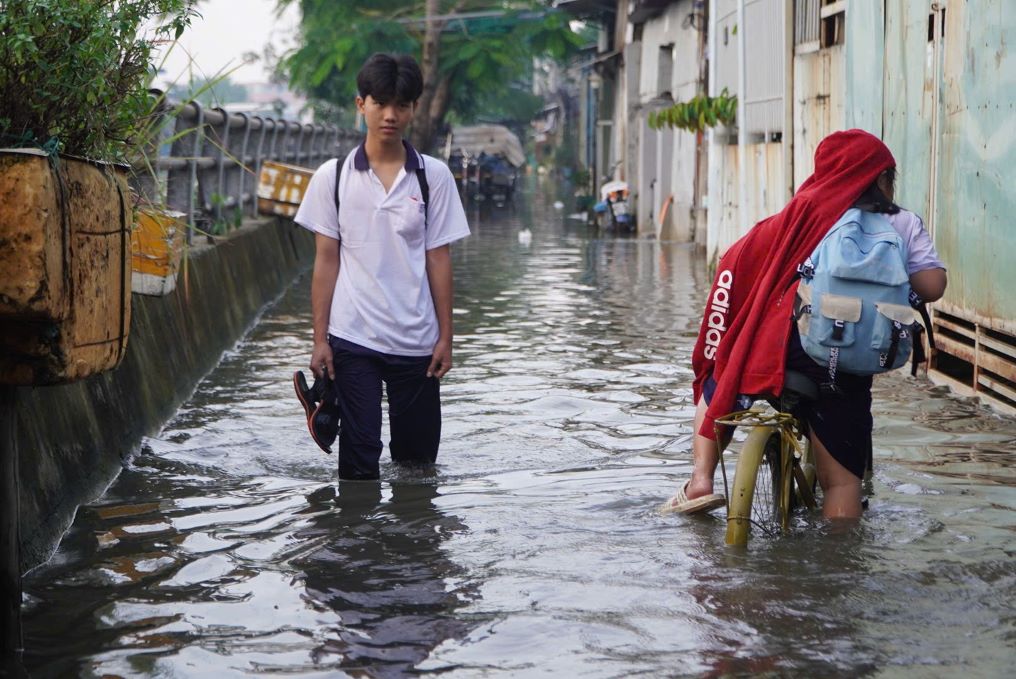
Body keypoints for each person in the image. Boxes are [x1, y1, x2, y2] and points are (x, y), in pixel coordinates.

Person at [663, 129, 947, 520]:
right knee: (843, 484)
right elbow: (933, 286)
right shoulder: (902, 223)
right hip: (847, 359)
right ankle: (836, 563)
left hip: (787, 350)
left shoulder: (805, 211)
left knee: (724, 372)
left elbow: (737, 263)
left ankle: (700, 480)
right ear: (884, 179)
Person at [292, 53, 470, 480]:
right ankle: (358, 541)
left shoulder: (434, 177)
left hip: (417, 341)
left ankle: (409, 543)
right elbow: (326, 261)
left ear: (412, 109)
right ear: (361, 105)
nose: (391, 115)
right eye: (380, 103)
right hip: (354, 337)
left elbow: (438, 258)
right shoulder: (332, 178)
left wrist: (446, 336)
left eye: (402, 106)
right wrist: (320, 340)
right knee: (359, 456)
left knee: (417, 463)